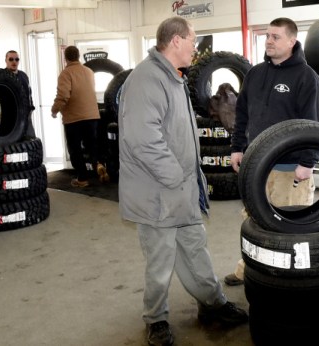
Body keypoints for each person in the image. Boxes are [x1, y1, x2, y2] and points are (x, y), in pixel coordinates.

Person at [117, 16, 248, 346]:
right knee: (160, 260)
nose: (195, 48)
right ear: (175, 41)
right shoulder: (146, 80)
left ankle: (212, 303)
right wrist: (177, 177)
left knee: (195, 249)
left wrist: (191, 181)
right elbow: (143, 140)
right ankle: (156, 319)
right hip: (158, 193)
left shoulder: (173, 78)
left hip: (181, 189)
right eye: (192, 41)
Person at [225, 17, 319, 286]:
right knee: (253, 223)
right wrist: (237, 148)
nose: (269, 41)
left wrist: (308, 162)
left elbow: (315, 124)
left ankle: (284, 281)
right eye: (267, 36)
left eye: (276, 37)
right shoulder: (256, 73)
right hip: (255, 168)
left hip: (289, 169)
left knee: (286, 228)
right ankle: (247, 269)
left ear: (292, 41)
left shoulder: (308, 78)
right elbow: (242, 113)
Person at [51, 45, 109, 187]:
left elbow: (63, 96)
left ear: (66, 58)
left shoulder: (66, 74)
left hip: (74, 118)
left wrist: (54, 110)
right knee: (92, 145)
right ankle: (99, 165)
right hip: (92, 115)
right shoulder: (89, 71)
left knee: (75, 149)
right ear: (78, 56)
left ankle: (82, 179)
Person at [5, 50, 36, 137]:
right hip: (10, 115)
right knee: (11, 141)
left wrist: (31, 108)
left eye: (17, 59)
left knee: (30, 139)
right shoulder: (2, 75)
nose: (14, 62)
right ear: (6, 60)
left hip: (26, 113)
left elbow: (29, 92)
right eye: (11, 59)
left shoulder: (23, 75)